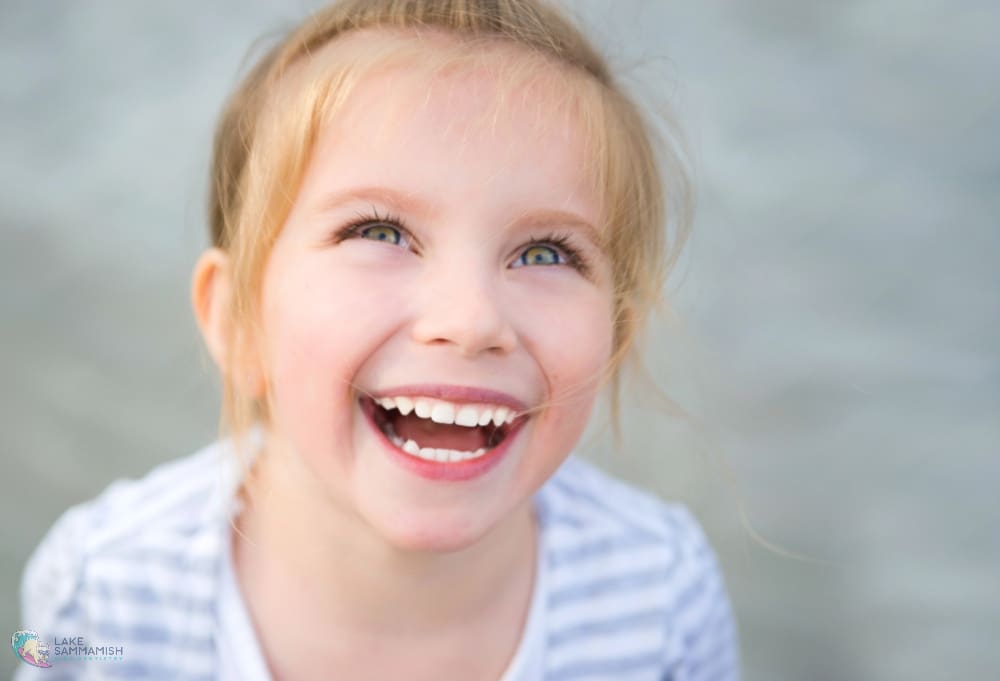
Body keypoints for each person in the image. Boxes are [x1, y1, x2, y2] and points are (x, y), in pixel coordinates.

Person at [18, 1, 740, 679]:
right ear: (237, 320)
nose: (471, 319)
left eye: (546, 252)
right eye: (380, 232)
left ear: (615, 338)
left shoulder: (662, 598)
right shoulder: (104, 595)